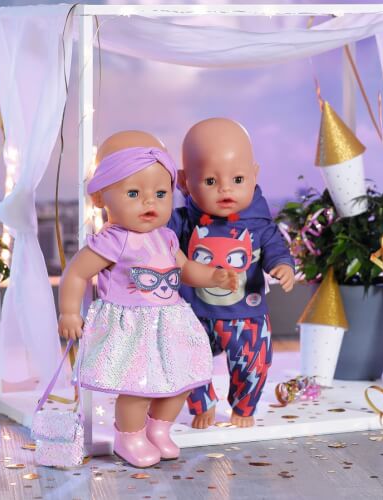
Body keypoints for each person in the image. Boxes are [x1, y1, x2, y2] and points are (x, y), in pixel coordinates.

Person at [59, 130, 238, 468]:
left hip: (170, 324)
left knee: (180, 382)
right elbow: (77, 273)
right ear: (99, 198)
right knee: (138, 388)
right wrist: (69, 312)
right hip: (132, 327)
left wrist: (212, 276)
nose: (149, 203)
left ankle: (159, 429)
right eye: (133, 193)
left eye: (160, 193)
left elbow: (185, 269)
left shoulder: (166, 237)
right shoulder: (113, 241)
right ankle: (129, 436)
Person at [169, 118, 295, 430]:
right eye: (210, 181)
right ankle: (202, 403)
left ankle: (244, 405)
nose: (225, 188)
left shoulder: (259, 224)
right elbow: (156, 235)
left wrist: (282, 265)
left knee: (254, 363)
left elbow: (275, 247)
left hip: (246, 314)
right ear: (184, 181)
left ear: (254, 175)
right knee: (185, 358)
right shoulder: (183, 221)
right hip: (193, 313)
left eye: (238, 179)